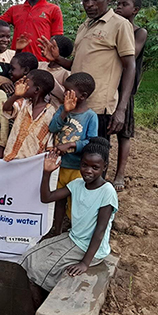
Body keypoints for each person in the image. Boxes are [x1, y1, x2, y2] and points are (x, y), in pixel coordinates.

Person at [19, 138, 117, 315]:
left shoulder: (107, 192)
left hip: (90, 249)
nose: (89, 171)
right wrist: (47, 172)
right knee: (28, 258)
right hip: (73, 239)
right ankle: (38, 310)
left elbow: (99, 232)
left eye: (95, 167)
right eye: (85, 165)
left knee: (39, 269)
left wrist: (85, 263)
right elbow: (46, 197)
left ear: (104, 167)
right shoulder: (77, 184)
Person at [38, 0, 136, 141]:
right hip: (74, 103)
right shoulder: (84, 26)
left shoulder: (120, 25)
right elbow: (77, 65)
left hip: (98, 107)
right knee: (72, 153)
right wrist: (57, 59)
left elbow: (130, 66)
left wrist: (121, 109)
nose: (89, 4)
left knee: (93, 156)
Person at [47, 72, 98, 235]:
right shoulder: (62, 109)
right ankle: (57, 230)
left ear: (82, 96)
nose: (64, 93)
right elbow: (52, 128)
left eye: (69, 91)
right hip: (59, 166)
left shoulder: (90, 117)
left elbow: (92, 141)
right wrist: (64, 112)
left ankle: (75, 231)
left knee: (75, 201)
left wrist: (71, 144)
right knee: (59, 200)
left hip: (76, 167)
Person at [112, 0, 148, 191]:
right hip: (109, 84)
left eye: (124, 4)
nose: (118, 7)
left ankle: (120, 174)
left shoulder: (139, 32)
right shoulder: (114, 28)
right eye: (117, 4)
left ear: (135, 10)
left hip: (124, 87)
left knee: (124, 133)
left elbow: (130, 54)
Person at [2, 69, 56, 161]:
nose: (22, 86)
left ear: (37, 90)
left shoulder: (51, 112)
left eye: (26, 84)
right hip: (12, 158)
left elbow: (50, 141)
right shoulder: (23, 104)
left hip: (33, 162)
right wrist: (16, 95)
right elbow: (6, 108)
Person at [38, 35, 72, 108]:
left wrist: (48, 80)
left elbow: (66, 97)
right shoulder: (40, 65)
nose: (45, 46)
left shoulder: (66, 73)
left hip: (54, 113)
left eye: (50, 45)